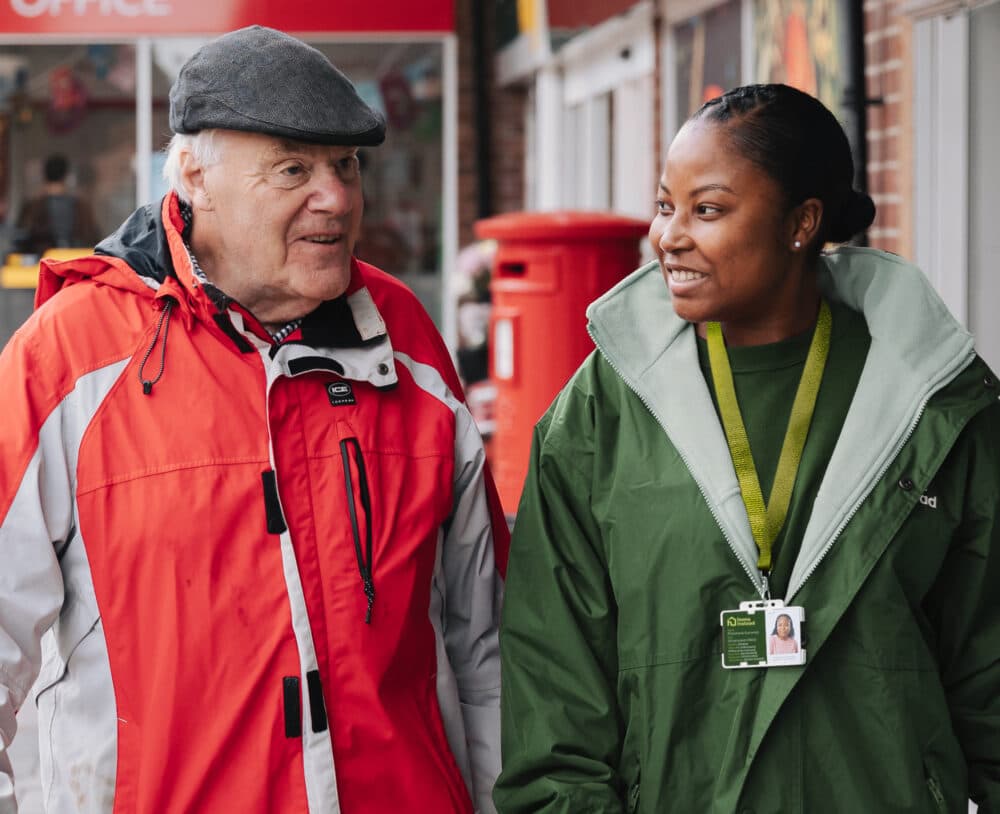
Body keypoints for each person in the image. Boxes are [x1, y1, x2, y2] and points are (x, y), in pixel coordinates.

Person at [0, 26, 508, 814]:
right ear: (196, 177)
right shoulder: (67, 356)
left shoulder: (404, 337)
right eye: (292, 170)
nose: (335, 197)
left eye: (345, 167)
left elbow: (487, 642)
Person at [495, 83, 1000, 813]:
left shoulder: (936, 402)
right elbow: (554, 694)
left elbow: (990, 666)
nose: (668, 236)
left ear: (801, 223)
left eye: (708, 210)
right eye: (666, 206)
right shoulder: (598, 415)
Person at [13, 153, 99, 255]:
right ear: (66, 176)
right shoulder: (81, 207)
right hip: (74, 263)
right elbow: (92, 238)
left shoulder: (32, 206)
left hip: (39, 265)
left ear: (44, 175)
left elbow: (20, 239)